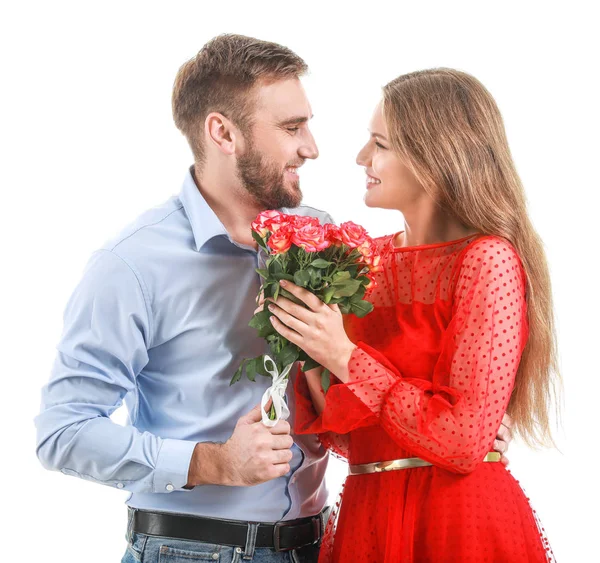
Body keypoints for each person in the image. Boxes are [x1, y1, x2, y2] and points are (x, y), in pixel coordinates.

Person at [35, 36, 512, 562]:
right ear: (223, 132)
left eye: (308, 124)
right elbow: (63, 432)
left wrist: (454, 434)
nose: (312, 147)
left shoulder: (328, 243)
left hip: (324, 544)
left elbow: (351, 404)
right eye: (291, 129)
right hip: (192, 550)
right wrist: (209, 461)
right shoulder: (133, 264)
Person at [266, 69, 557, 562]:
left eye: (379, 143)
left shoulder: (486, 260)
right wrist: (309, 346)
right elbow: (347, 436)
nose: (362, 158)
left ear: (435, 158)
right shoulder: (363, 262)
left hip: (458, 521)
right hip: (369, 511)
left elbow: (463, 442)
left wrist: (345, 354)